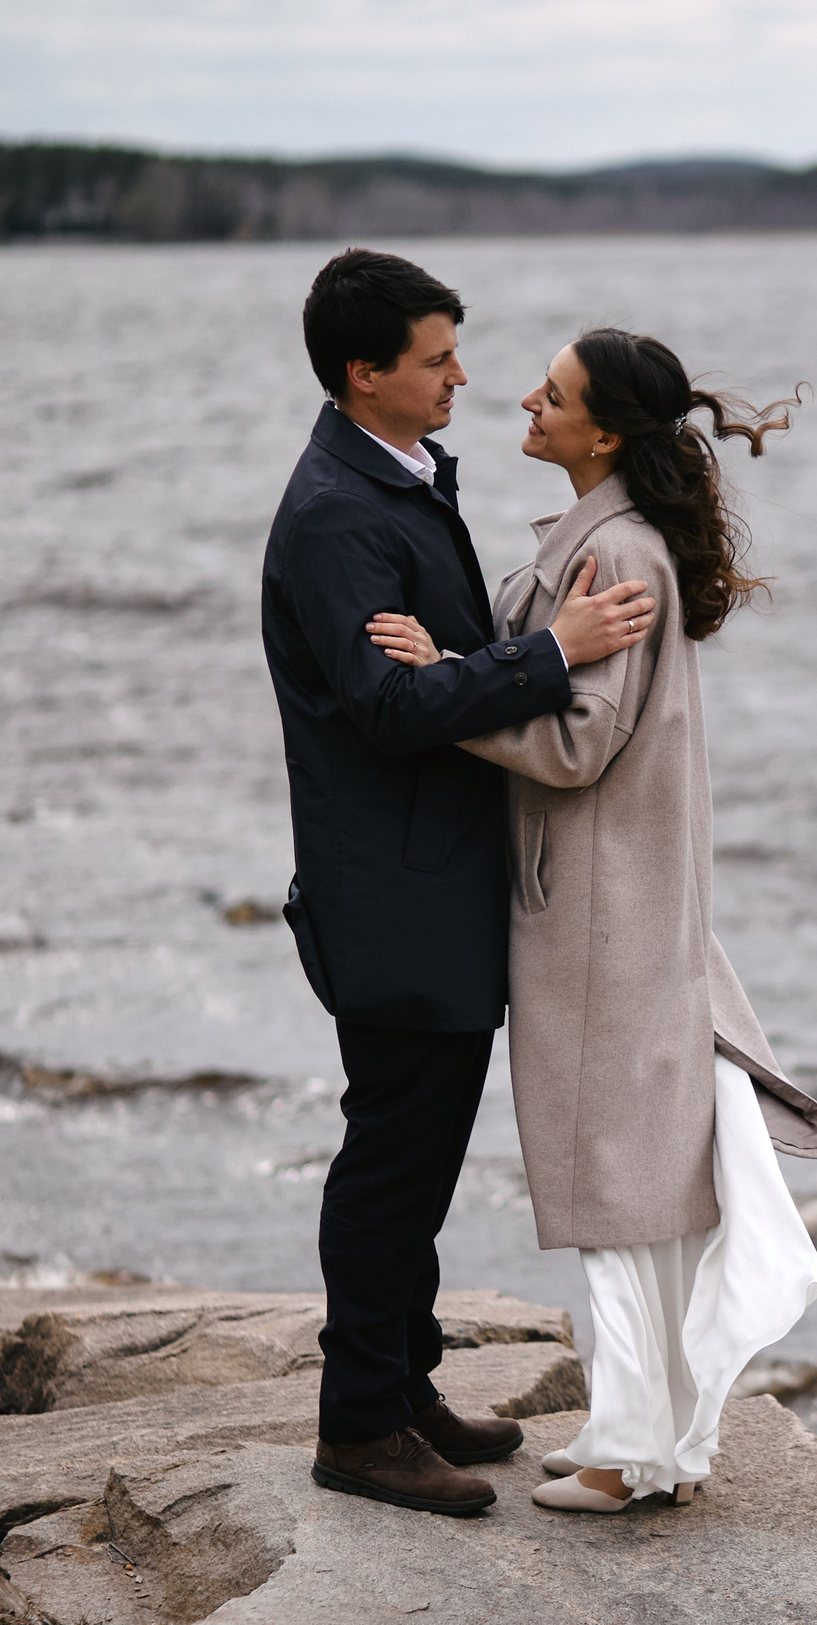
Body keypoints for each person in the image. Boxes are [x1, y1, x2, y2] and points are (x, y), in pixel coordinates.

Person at [364, 327, 817, 1513]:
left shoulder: (613, 555)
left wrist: (438, 692)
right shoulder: (611, 540)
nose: (525, 399)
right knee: (636, 1177)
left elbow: (574, 744)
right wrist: (478, 661)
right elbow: (556, 686)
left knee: (612, 1177)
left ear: (606, 433)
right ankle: (660, 1444)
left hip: (595, 907)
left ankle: (632, 1455)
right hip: (615, 901)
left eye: (555, 394)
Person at [262, 251, 659, 1517]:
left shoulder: (401, 476)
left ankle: (407, 1384)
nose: (462, 378)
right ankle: (359, 1427)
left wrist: (481, 653)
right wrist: (553, 653)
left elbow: (430, 664)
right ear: (361, 373)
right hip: (392, 897)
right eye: (435, 360)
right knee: (391, 1165)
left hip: (434, 884)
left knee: (420, 1160)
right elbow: (385, 709)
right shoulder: (335, 514)